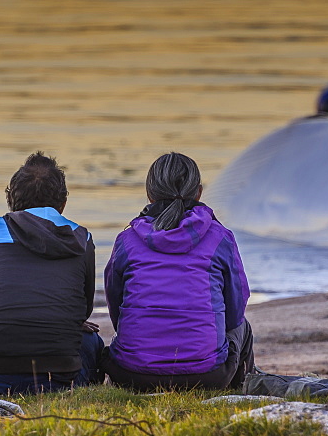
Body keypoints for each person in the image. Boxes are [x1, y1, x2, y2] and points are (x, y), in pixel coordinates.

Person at [0, 151, 104, 395]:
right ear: (63, 203)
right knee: (90, 339)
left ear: (10, 199)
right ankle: (83, 397)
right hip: (59, 381)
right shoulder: (81, 238)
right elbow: (83, 310)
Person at [102, 152, 254, 391]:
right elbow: (235, 311)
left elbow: (116, 306)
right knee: (243, 328)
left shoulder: (127, 241)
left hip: (132, 374)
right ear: (199, 192)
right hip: (207, 375)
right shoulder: (220, 238)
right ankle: (237, 393)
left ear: (149, 193)